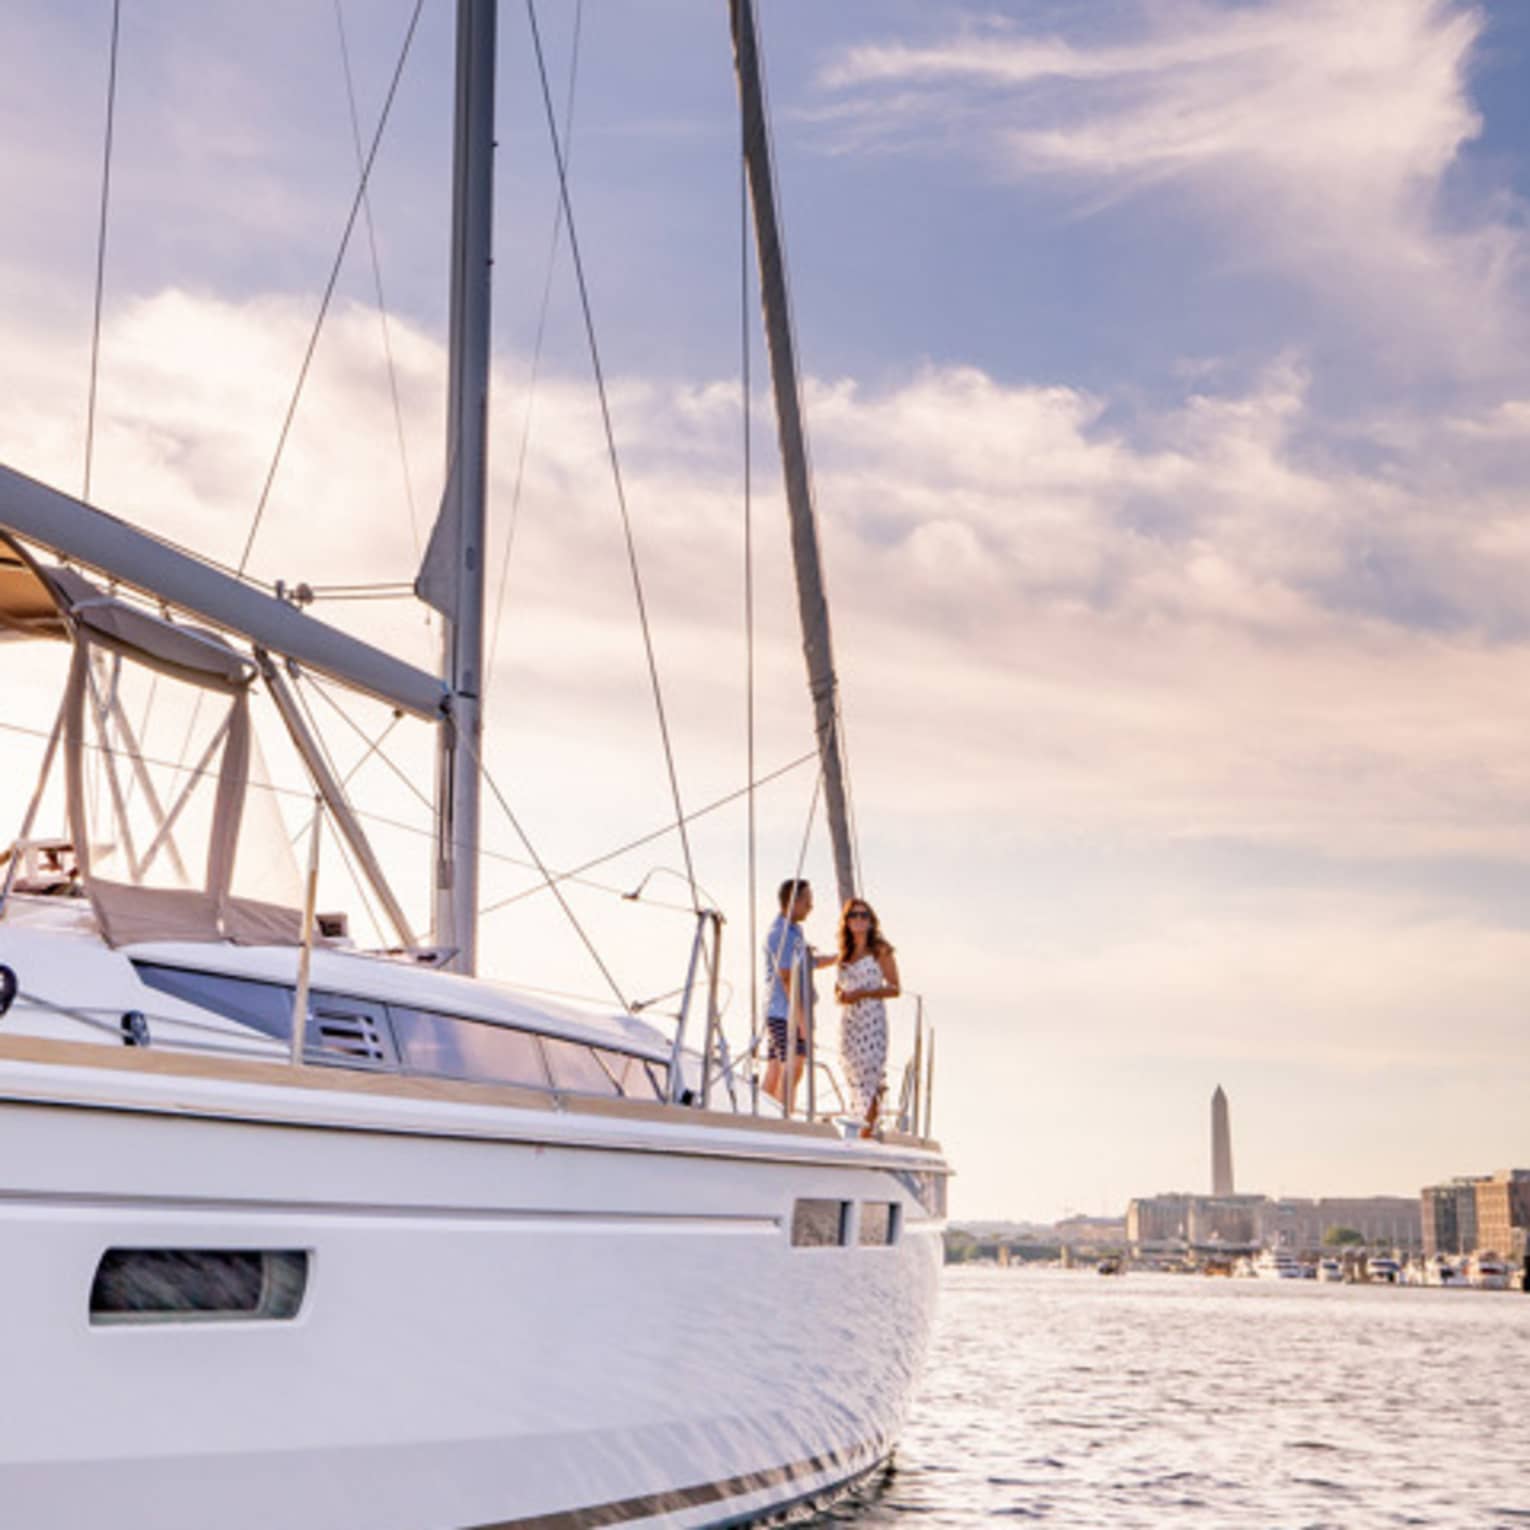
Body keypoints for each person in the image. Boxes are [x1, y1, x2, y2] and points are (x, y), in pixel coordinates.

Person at [762, 877, 834, 1111]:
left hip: (781, 1012)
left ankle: (765, 1115)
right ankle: (783, 1118)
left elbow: (807, 963)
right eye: (807, 902)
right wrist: (801, 1021)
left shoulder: (795, 932)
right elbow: (787, 977)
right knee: (794, 1065)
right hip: (784, 1013)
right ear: (792, 902)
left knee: (776, 1067)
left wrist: (839, 957)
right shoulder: (780, 934)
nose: (811, 907)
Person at [834, 898, 900, 1138]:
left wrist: (864, 993)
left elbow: (895, 988)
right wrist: (842, 995)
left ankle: (865, 1135)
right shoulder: (846, 952)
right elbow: (838, 987)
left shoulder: (880, 950)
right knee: (854, 1076)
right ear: (847, 921)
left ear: (871, 921)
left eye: (864, 916)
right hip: (850, 1020)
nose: (859, 920)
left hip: (871, 1019)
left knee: (869, 1077)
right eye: (854, 915)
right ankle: (859, 1127)